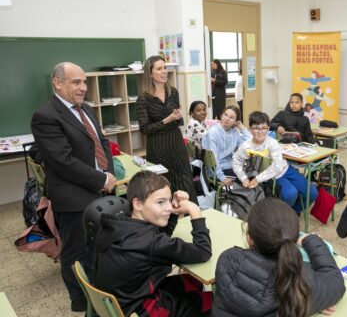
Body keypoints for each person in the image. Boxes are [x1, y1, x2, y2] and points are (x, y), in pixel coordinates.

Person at [31, 62, 116, 312]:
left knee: (98, 247)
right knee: (76, 252)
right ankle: (80, 301)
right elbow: (63, 162)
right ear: (57, 83)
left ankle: (99, 291)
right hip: (74, 198)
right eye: (76, 82)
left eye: (84, 82)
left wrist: (108, 173)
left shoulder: (86, 109)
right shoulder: (46, 116)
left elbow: (102, 142)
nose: (83, 88)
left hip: (99, 191)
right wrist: (101, 179)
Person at [95, 171, 212, 316]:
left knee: (194, 282)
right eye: (160, 202)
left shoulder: (118, 224)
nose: (168, 207)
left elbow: (161, 238)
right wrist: (195, 211)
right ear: (137, 203)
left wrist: (171, 213)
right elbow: (203, 252)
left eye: (169, 200)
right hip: (141, 310)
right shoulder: (151, 243)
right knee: (212, 301)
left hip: (124, 301)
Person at [213, 198, 345, 316]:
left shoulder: (227, 260)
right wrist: (310, 239)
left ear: (249, 238)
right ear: (293, 239)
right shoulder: (301, 279)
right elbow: (335, 281)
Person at [136, 55, 197, 203]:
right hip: (158, 146)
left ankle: (191, 216)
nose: (164, 72)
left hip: (175, 143)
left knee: (185, 181)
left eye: (165, 68)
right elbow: (145, 129)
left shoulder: (173, 92)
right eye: (159, 69)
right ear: (150, 74)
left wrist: (177, 117)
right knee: (163, 185)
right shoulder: (143, 99)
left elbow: (177, 120)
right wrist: (167, 120)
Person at [232, 111, 318, 214]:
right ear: (250, 129)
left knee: (312, 193)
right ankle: (285, 213)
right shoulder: (246, 146)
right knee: (290, 194)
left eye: (263, 128)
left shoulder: (272, 143)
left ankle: (293, 211)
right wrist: (243, 178)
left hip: (285, 170)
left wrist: (257, 179)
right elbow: (236, 162)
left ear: (268, 128)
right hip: (269, 177)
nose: (260, 131)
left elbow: (277, 166)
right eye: (256, 128)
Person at [201, 106, 251, 186]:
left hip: (230, 166)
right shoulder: (212, 133)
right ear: (221, 115)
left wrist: (242, 129)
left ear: (236, 121)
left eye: (231, 117)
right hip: (216, 171)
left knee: (253, 175)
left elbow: (249, 144)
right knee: (249, 180)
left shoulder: (234, 132)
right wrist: (222, 177)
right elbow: (213, 159)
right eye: (225, 115)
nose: (227, 119)